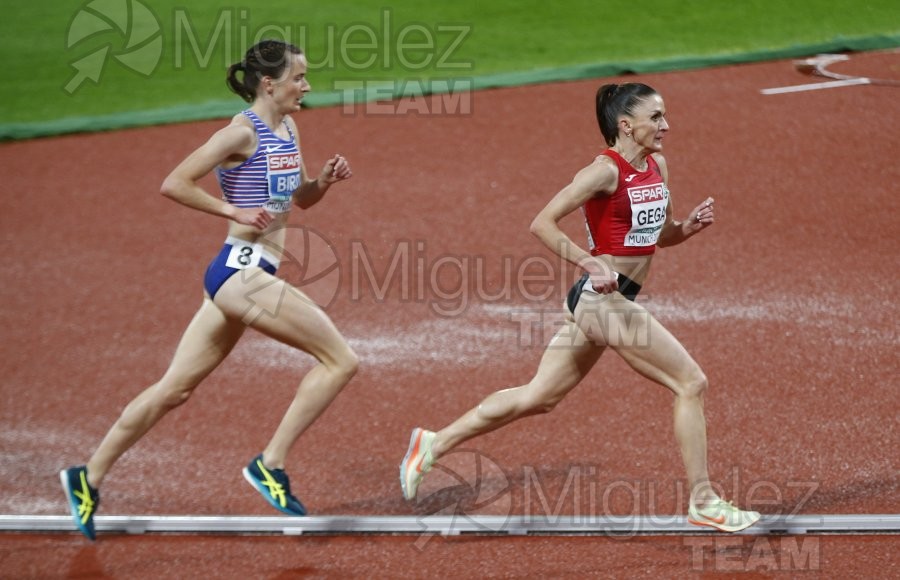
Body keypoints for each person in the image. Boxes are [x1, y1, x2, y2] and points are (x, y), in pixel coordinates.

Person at [400, 82, 760, 533]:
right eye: (656, 117)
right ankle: (704, 500)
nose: (666, 125)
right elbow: (541, 223)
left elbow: (658, 235)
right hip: (600, 302)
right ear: (626, 125)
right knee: (690, 381)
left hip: (611, 301)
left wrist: (687, 228)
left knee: (540, 396)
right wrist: (588, 261)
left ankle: (433, 443)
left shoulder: (657, 166)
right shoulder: (602, 172)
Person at [60, 39, 359, 541]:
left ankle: (85, 477)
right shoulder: (237, 134)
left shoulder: (289, 128)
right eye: (299, 77)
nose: (307, 86)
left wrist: (323, 183)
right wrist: (232, 211)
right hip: (241, 274)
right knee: (341, 360)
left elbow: (298, 201)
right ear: (269, 83)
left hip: (241, 277)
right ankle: (270, 463)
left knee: (173, 389)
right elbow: (174, 182)